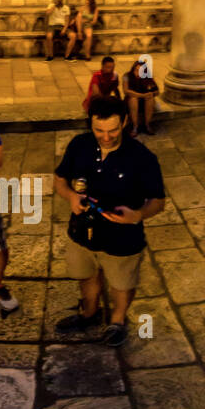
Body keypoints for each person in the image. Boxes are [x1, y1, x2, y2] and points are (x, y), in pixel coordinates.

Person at [53, 100, 166, 344]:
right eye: (99, 130)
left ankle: (117, 321)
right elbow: (60, 179)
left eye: (113, 130)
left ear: (125, 122)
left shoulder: (142, 157)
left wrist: (137, 215)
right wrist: (71, 196)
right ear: (90, 124)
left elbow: (158, 201)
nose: (105, 137)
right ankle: (89, 314)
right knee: (86, 275)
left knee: (121, 282)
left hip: (123, 237)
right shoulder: (79, 145)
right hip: (82, 232)